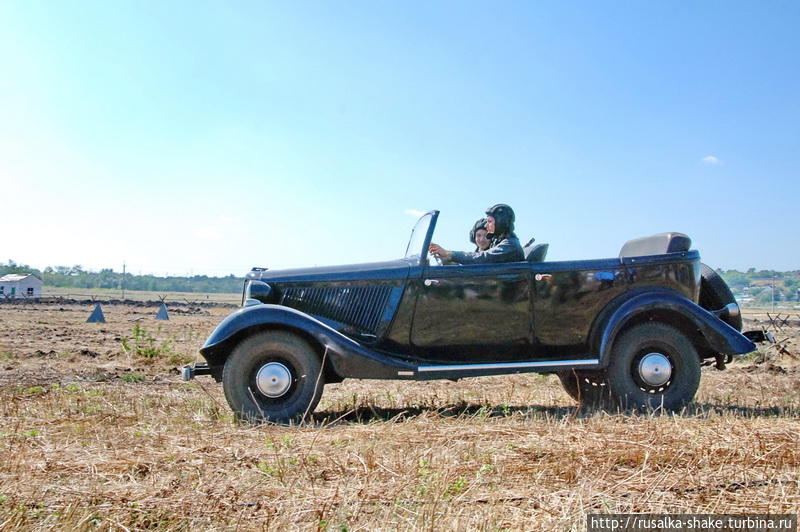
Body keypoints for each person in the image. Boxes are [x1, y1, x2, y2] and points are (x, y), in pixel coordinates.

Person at [429, 204, 524, 264]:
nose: (486, 225)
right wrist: (446, 259)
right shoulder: (499, 242)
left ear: (500, 223)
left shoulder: (510, 246)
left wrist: (449, 253)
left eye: (490, 221)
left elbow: (481, 258)